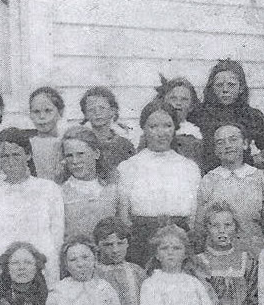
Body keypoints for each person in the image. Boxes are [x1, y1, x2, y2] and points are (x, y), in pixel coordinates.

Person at [0, 128, 64, 287]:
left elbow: (57, 236)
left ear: (28, 155)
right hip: (0, 267)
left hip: (42, 266)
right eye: (4, 156)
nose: (10, 160)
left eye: (16, 154)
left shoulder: (49, 189)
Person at [118, 101, 201, 266]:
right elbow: (124, 216)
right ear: (144, 129)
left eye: (167, 126)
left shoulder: (189, 167)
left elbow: (194, 215)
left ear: (175, 128)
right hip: (142, 241)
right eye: (154, 126)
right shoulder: (129, 166)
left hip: (179, 242)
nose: (161, 133)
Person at [195, 123, 264, 258]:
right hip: (218, 253)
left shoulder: (261, 178)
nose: (227, 146)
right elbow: (200, 225)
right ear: (215, 150)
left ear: (245, 144)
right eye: (220, 143)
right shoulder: (209, 180)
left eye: (233, 140)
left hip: (254, 252)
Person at [188, 59, 264, 173]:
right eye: (219, 85)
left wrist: (256, 159)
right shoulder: (199, 114)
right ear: (212, 87)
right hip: (208, 175)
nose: (225, 90)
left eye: (231, 85)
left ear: (241, 88)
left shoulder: (252, 116)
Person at [60, 126, 118, 240]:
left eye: (81, 154)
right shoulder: (60, 193)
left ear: (96, 153)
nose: (75, 161)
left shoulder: (113, 188)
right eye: (69, 156)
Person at [79, 86, 136, 181]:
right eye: (91, 109)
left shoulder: (124, 145)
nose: (97, 113)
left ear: (112, 111)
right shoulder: (80, 143)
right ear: (85, 114)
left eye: (102, 108)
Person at [146, 75, 204, 166]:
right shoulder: (150, 130)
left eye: (184, 99)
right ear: (163, 101)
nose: (178, 103)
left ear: (191, 106)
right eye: (173, 98)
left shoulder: (194, 135)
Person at [28, 86, 66, 183]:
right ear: (30, 115)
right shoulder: (28, 145)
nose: (42, 117)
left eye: (48, 111)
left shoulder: (66, 143)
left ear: (60, 112)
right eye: (36, 111)